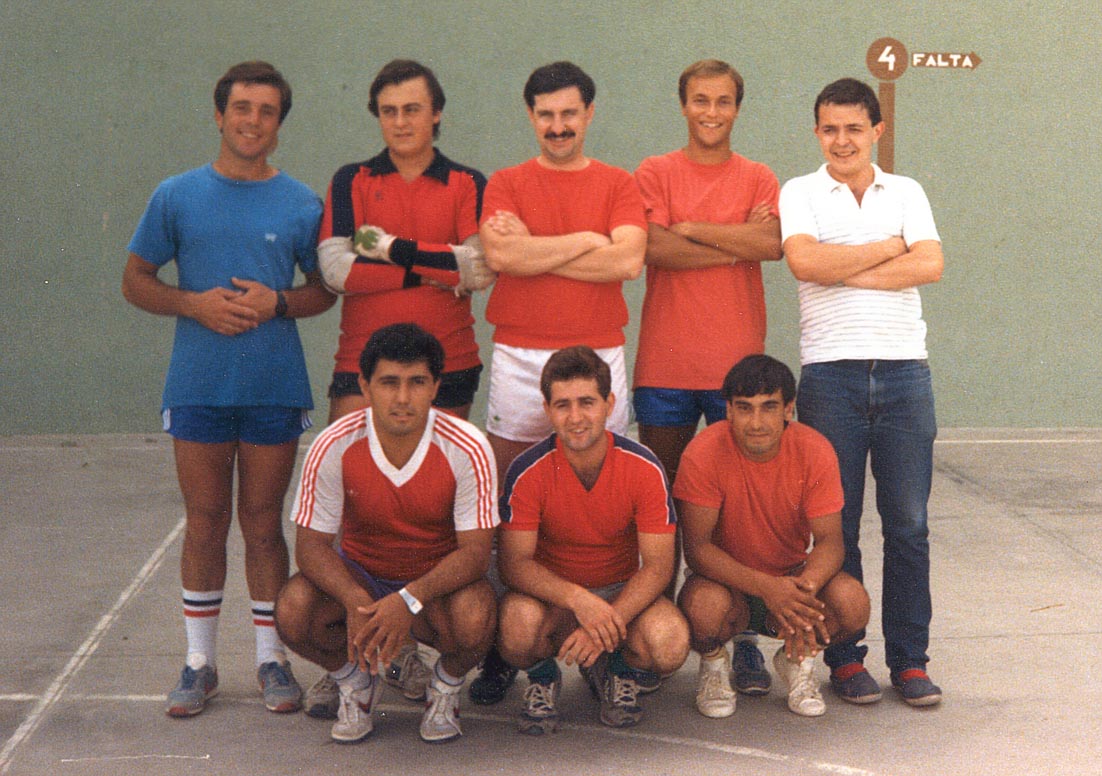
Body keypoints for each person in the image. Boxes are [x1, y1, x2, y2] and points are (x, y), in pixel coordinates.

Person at [122, 61, 334, 718]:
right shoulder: (176, 196)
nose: (252, 121)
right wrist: (193, 304)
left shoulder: (302, 203)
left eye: (266, 111)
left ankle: (272, 660)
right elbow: (135, 280)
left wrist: (278, 302)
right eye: (241, 108)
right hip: (198, 386)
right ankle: (198, 663)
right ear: (220, 115)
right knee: (206, 519)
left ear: (279, 123)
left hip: (273, 387)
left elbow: (325, 290)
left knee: (263, 524)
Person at [779, 77, 945, 707]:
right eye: (830, 129)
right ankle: (845, 658)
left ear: (877, 129)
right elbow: (805, 264)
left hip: (905, 377)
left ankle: (910, 661)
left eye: (854, 128)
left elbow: (929, 264)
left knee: (908, 526)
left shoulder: (906, 191)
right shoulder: (799, 191)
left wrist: (843, 269)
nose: (842, 140)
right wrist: (886, 251)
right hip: (831, 378)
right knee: (837, 528)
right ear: (816, 132)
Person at [275, 324, 498, 744]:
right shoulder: (333, 444)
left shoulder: (468, 446)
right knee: (293, 609)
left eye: (417, 382)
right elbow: (311, 547)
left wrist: (409, 599)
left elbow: (475, 553)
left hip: (433, 588)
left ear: (436, 387)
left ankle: (444, 686)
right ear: (365, 385)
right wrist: (353, 599)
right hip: (364, 579)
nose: (402, 397)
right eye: (389, 382)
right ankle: (355, 682)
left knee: (476, 617)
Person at [633, 59, 782, 686]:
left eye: (723, 101)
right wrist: (730, 238)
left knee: (737, 511)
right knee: (661, 505)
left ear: (737, 108)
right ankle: (654, 631)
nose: (711, 112)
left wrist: (691, 229)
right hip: (665, 362)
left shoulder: (758, 175)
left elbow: (770, 245)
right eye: (700, 100)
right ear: (683, 104)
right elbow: (652, 246)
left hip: (737, 370)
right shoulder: (655, 171)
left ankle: (738, 636)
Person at [497, 347, 689, 733]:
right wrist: (578, 601)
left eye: (587, 402)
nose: (576, 417)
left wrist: (605, 622)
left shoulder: (644, 467)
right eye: (562, 405)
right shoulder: (528, 470)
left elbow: (658, 566)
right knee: (517, 627)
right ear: (547, 409)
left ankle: (616, 668)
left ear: (609, 404)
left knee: (669, 642)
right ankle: (543, 677)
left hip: (618, 594)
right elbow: (514, 564)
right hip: (555, 598)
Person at [479, 61, 647, 485]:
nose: (557, 127)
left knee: (601, 479)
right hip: (519, 353)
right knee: (511, 479)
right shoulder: (505, 183)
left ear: (589, 113)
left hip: (598, 350)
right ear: (530, 115)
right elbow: (500, 256)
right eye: (546, 115)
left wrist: (532, 247)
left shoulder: (618, 183)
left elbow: (627, 262)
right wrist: (590, 239)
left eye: (569, 114)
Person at [675, 354, 870, 718]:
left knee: (852, 602)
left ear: (788, 409)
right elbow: (697, 549)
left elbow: (830, 541)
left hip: (790, 577)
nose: (756, 422)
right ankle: (714, 664)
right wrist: (767, 588)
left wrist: (802, 593)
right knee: (703, 608)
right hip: (727, 584)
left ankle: (797, 659)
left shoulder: (814, 450)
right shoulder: (703, 453)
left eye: (768, 407)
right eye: (744, 408)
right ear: (728, 410)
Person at [317, 59, 492, 425]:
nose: (400, 122)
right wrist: (423, 274)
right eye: (389, 111)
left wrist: (386, 247)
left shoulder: (468, 182)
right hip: (361, 361)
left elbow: (476, 270)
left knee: (438, 465)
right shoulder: (351, 179)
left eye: (412, 110)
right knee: (353, 462)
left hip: (449, 360)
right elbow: (336, 271)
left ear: (436, 113)